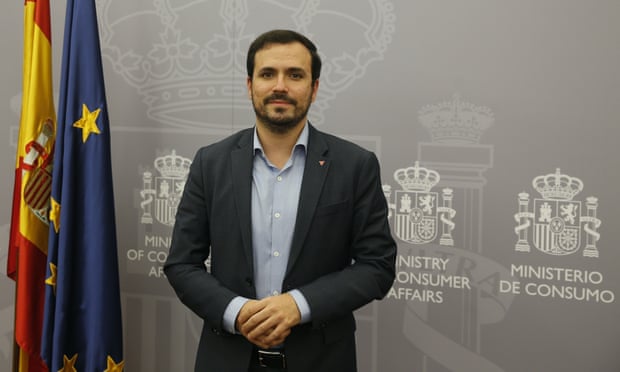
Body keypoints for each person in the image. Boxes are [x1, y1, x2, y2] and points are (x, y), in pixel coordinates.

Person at [164, 29, 397, 372]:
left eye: (295, 75)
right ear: (250, 86)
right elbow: (181, 264)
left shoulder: (355, 166)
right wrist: (238, 312)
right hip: (227, 359)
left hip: (322, 360)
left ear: (314, 89)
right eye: (268, 74)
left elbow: (376, 266)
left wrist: (298, 305)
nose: (280, 86)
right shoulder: (210, 163)